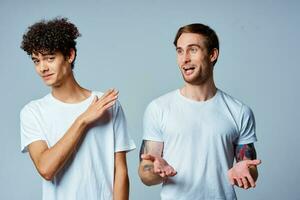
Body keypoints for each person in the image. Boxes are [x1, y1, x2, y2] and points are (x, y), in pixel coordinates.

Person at [138, 23, 261, 200]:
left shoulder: (239, 111)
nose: (184, 59)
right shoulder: (158, 108)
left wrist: (247, 170)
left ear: (212, 54)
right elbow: (146, 173)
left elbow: (249, 167)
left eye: (192, 50)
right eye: (180, 51)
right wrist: (156, 171)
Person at [20, 17, 135, 200]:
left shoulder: (107, 104)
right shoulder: (33, 112)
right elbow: (46, 169)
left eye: (50, 58)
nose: (42, 68)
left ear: (70, 55)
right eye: (36, 61)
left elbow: (120, 170)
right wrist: (83, 120)